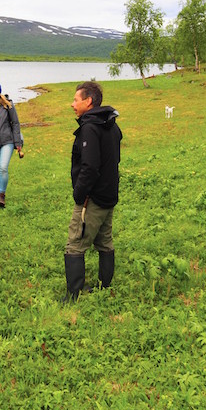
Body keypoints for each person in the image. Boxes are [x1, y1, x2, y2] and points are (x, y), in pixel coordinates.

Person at [64, 81, 122, 301]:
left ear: (88, 102)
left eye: (76, 100)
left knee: (75, 243)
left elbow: (90, 166)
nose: (72, 104)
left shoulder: (89, 128)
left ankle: (73, 295)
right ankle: (104, 287)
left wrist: (80, 194)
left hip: (93, 199)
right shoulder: (111, 124)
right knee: (104, 240)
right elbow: (114, 159)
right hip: (109, 194)